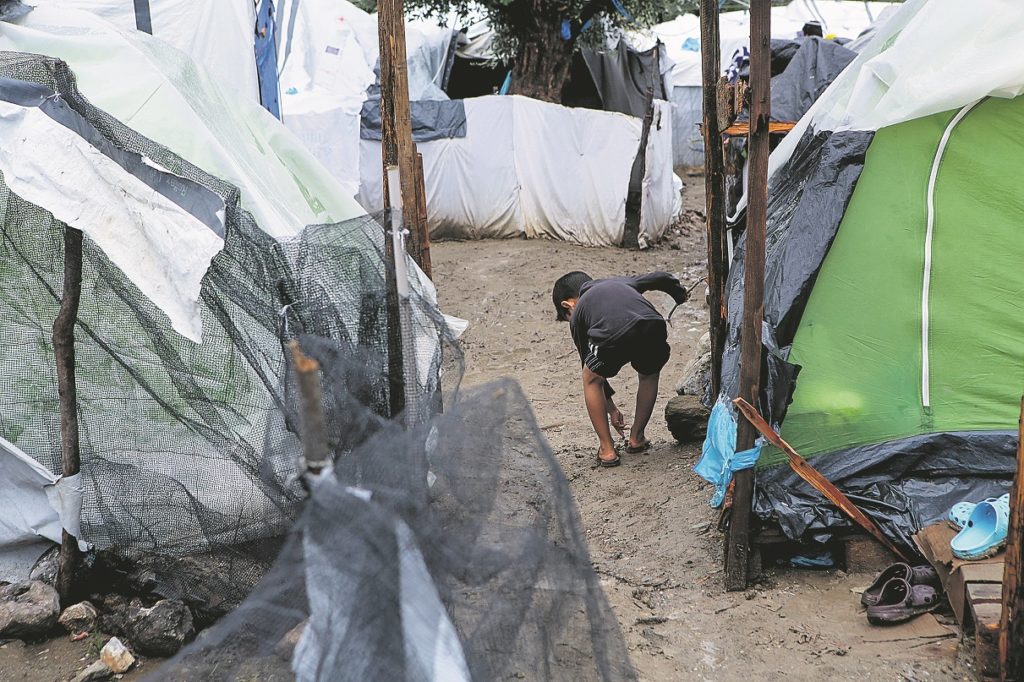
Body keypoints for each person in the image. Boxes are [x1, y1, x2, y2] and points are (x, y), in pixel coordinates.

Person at [552, 271, 689, 467]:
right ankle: (637, 437)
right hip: (652, 324)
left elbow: (589, 365)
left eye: (567, 316)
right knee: (649, 374)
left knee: (590, 379)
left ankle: (607, 450)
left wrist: (612, 410)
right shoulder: (621, 282)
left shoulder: (578, 313)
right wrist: (680, 295)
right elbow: (660, 278)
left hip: (611, 333)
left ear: (568, 305)